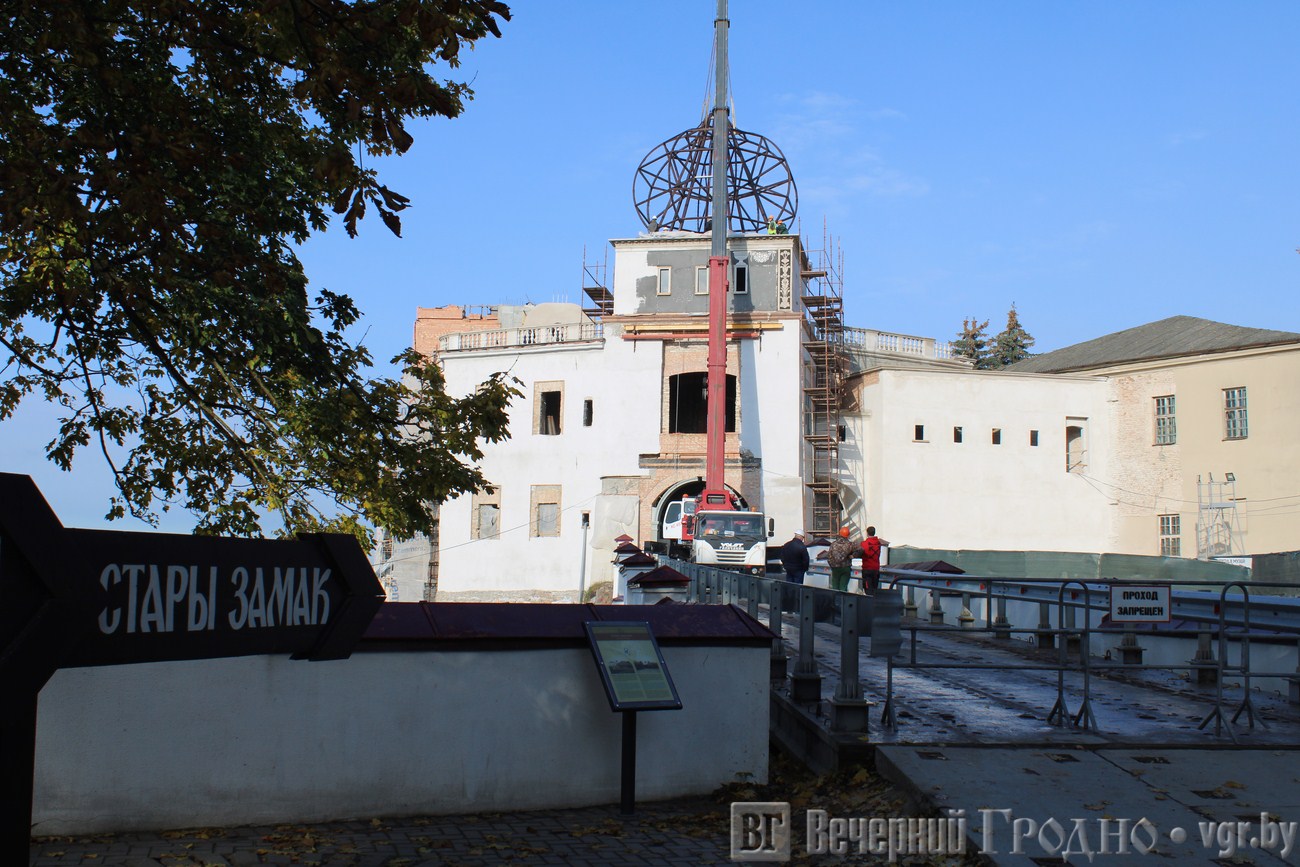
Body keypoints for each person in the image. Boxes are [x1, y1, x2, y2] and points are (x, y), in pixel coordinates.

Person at [860, 526, 890, 593]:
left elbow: (861, 553)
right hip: (876, 568)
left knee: (868, 590)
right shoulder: (878, 543)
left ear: (867, 533)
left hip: (867, 568)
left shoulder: (864, 544)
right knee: (874, 589)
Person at [827, 526, 856, 592]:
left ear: (840, 534)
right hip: (846, 567)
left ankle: (835, 598)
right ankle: (843, 598)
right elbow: (860, 550)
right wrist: (853, 556)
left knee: (835, 587)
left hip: (835, 568)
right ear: (848, 535)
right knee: (843, 587)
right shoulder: (850, 544)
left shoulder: (833, 544)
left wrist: (832, 566)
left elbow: (829, 556)